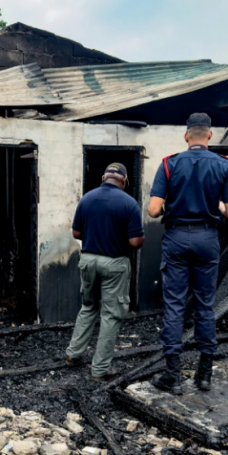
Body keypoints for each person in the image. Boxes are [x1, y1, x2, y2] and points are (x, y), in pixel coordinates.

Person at [147, 113, 228, 395]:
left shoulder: (169, 164)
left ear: (186, 136)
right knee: (205, 304)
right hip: (207, 239)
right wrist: (217, 208)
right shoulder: (225, 166)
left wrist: (173, 207)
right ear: (209, 135)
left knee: (175, 305)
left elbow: (153, 210)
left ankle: (173, 377)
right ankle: (203, 375)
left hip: (176, 237)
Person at [65, 163, 145, 382]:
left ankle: (73, 354)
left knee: (88, 306)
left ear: (103, 177)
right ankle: (100, 370)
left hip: (88, 260)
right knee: (110, 314)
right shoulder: (129, 203)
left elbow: (77, 232)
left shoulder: (87, 199)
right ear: (124, 181)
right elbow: (135, 241)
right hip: (115, 263)